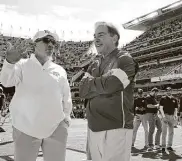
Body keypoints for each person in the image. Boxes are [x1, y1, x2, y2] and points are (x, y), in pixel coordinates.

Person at [0, 30, 72, 161]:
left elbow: (66, 97)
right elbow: (6, 81)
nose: (50, 44)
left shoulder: (59, 70)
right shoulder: (21, 64)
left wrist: (66, 119)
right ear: (35, 44)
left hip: (56, 127)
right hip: (26, 128)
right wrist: (9, 62)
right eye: (46, 40)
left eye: (53, 42)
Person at [79, 22, 137, 161]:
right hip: (93, 127)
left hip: (116, 127)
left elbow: (113, 84)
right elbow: (82, 90)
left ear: (114, 38)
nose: (96, 39)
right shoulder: (94, 63)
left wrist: (92, 84)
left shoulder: (124, 59)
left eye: (101, 35)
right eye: (94, 36)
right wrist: (102, 84)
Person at [159, 87, 178, 153]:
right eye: (167, 90)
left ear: (171, 91)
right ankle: (163, 146)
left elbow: (176, 109)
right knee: (164, 132)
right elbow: (161, 108)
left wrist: (175, 116)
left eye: (170, 90)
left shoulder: (174, 99)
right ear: (166, 91)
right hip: (165, 115)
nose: (168, 91)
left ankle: (169, 146)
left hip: (172, 116)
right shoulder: (163, 98)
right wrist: (163, 116)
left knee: (171, 132)